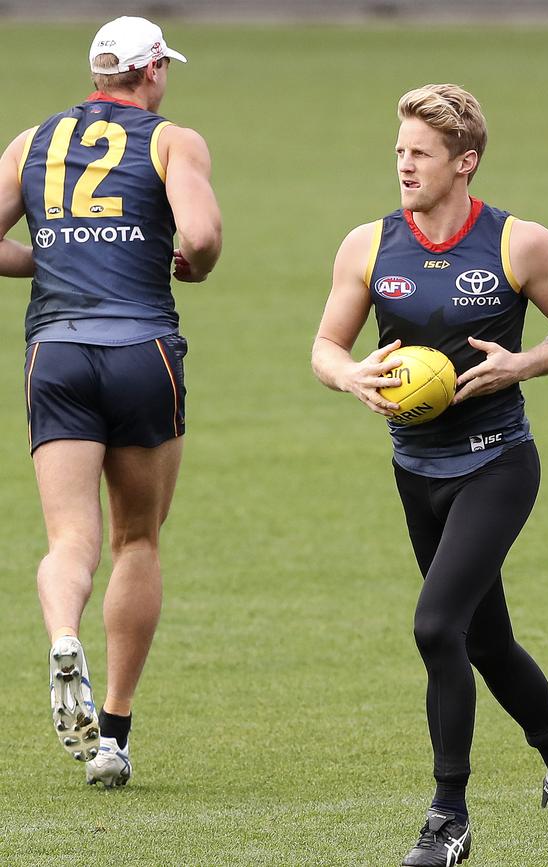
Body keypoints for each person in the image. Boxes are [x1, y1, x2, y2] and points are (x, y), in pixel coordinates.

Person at [312, 84, 548, 865]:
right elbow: (325, 349)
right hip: (416, 470)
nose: (403, 164)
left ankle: (448, 817)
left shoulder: (521, 244)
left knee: (436, 625)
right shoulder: (368, 246)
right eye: (399, 150)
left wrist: (523, 363)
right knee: (487, 639)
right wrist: (350, 378)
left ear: (464, 163)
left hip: (498, 465)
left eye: (420, 153)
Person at [0, 16, 221, 788]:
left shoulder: (32, 141)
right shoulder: (172, 140)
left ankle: (64, 633)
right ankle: (114, 734)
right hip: (142, 353)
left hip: (55, 351)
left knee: (70, 540)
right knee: (139, 541)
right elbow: (203, 235)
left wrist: (49, 257)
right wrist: (187, 260)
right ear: (151, 69)